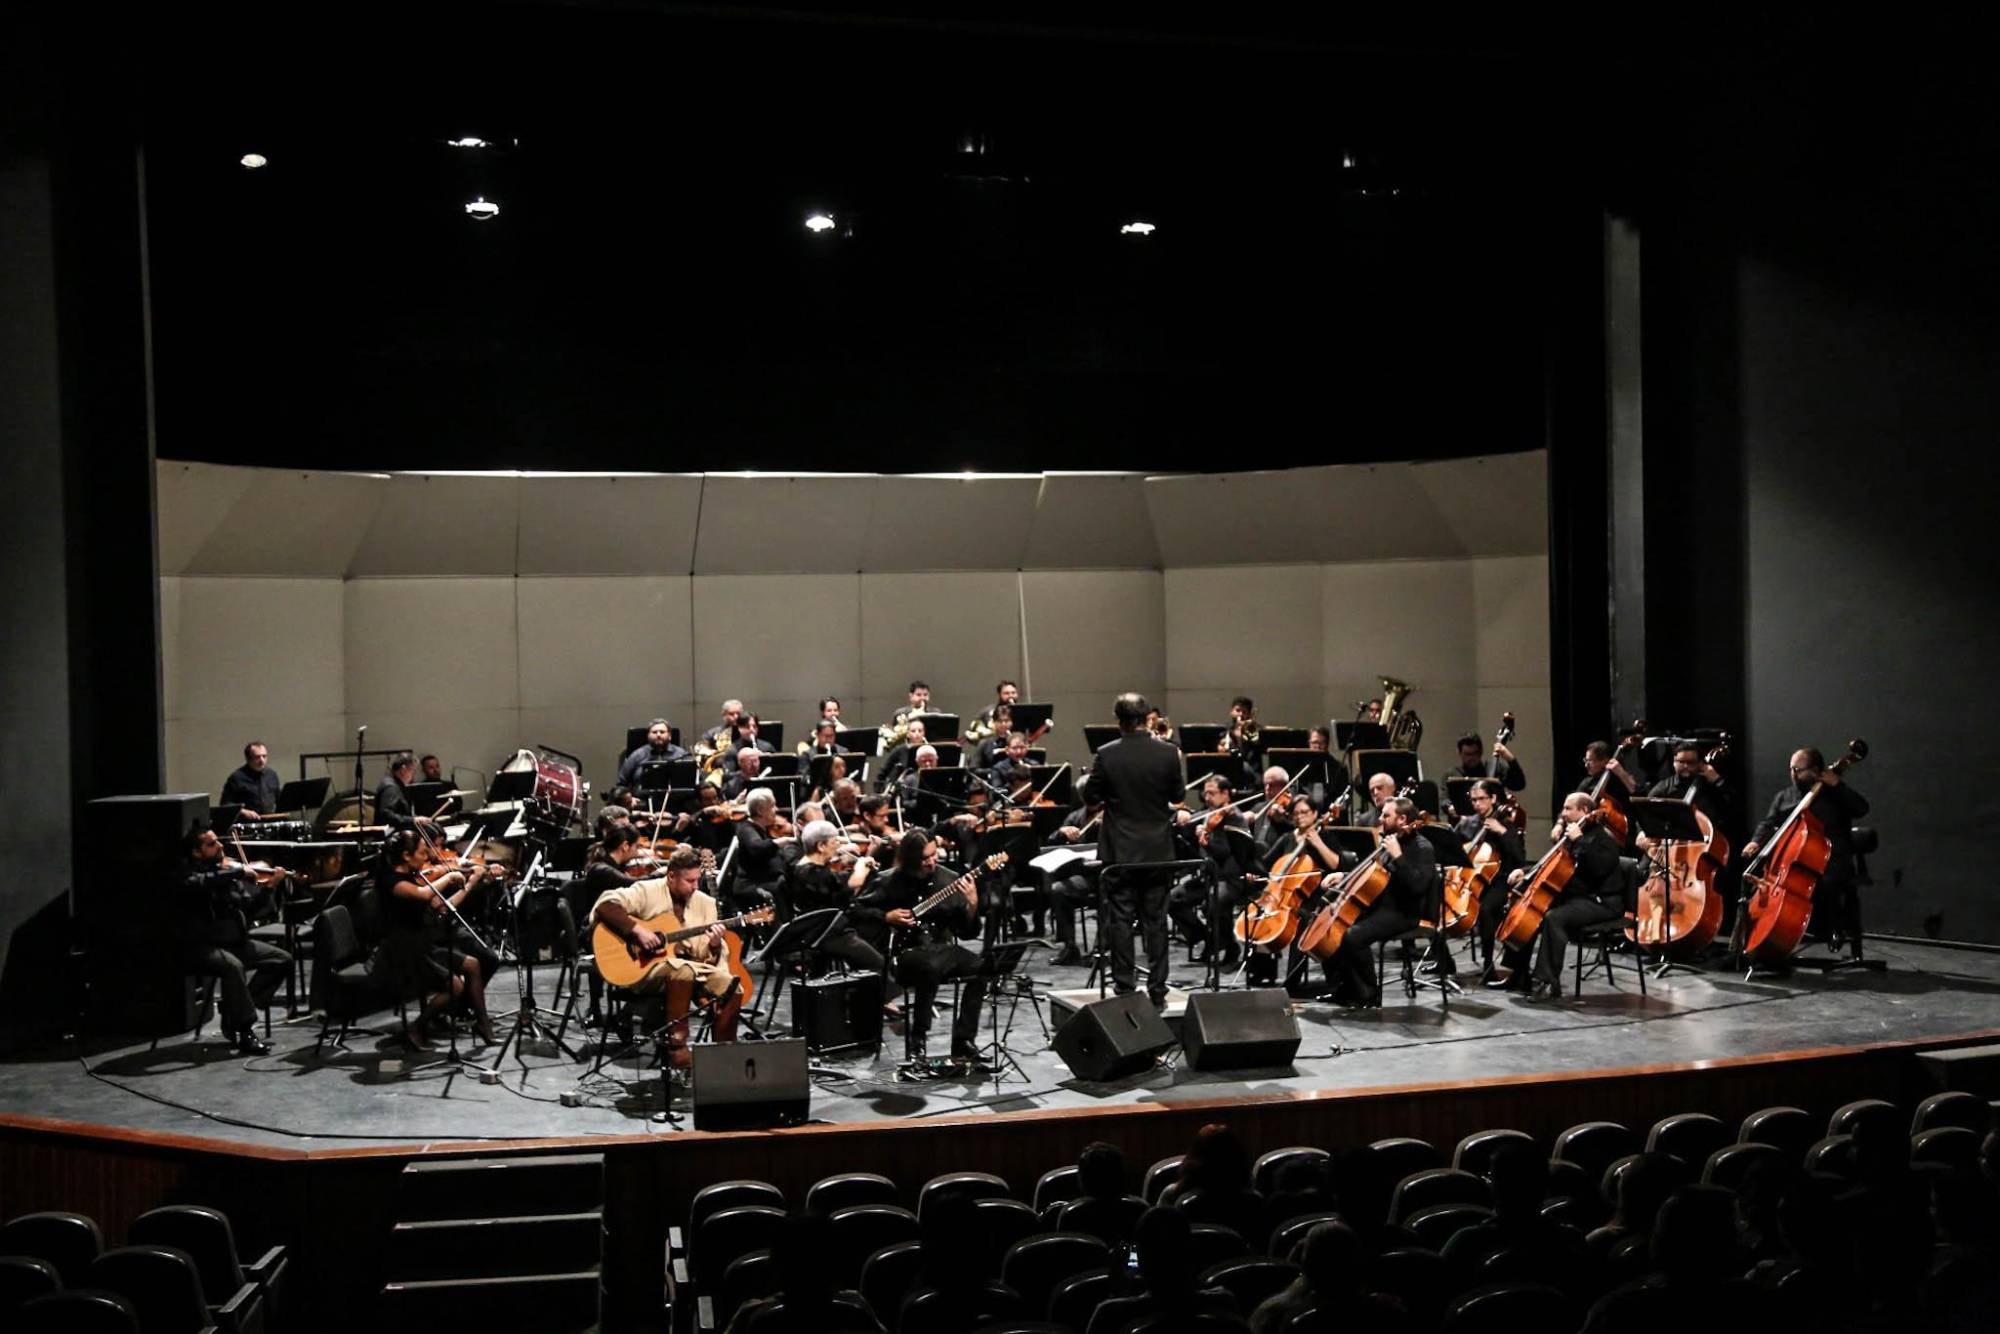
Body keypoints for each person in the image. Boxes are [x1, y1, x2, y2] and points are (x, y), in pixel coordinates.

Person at [589, 843, 744, 1068]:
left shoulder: (706, 903)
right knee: (681, 970)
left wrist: (713, 944)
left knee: (732, 986)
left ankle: (725, 1058)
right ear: (671, 876)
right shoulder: (647, 890)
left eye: (697, 880)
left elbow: (704, 957)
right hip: (646, 969)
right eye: (689, 881)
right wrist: (637, 930)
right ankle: (677, 1047)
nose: (695, 886)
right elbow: (605, 904)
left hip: (690, 968)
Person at [1080, 692, 1183, 1010]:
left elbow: (1091, 797)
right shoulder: (1168, 753)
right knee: (1156, 921)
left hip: (1120, 851)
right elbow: (1177, 794)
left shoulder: (1106, 754)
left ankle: (1124, 987)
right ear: (1147, 717)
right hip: (1157, 849)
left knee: (1120, 921)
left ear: (1118, 721)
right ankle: (1157, 991)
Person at [856, 830, 988, 1068]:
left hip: (941, 949)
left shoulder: (949, 880)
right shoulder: (888, 881)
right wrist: (886, 916)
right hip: (905, 953)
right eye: (924, 858)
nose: (931, 861)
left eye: (933, 855)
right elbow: (855, 912)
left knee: (981, 968)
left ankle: (964, 1041)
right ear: (909, 858)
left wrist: (972, 904)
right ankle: (918, 1040)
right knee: (930, 967)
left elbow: (968, 933)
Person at [377, 828, 500, 1047]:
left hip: (423, 944)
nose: (429, 858)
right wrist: (449, 875)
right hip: (403, 950)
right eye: (423, 853)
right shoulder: (390, 881)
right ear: (406, 856)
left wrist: (471, 883)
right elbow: (424, 895)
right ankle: (417, 1027)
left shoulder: (413, 877)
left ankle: (482, 1024)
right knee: (455, 987)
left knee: (473, 965)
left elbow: (443, 908)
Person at [174, 825, 291, 1054]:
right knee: (233, 967)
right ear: (197, 852)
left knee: (282, 960)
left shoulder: (224, 873)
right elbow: (201, 882)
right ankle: (246, 1031)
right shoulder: (188, 874)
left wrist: (269, 887)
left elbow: (249, 908)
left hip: (234, 943)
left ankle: (231, 1013)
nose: (220, 846)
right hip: (201, 947)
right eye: (211, 844)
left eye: (218, 841)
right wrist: (237, 872)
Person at [1500, 791, 1625, 998]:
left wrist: (1579, 841)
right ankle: (1519, 974)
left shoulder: (1604, 839)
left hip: (1601, 901)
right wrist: (1526, 872)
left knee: (1553, 918)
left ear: (1585, 811)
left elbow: (1597, 871)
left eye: (1568, 809)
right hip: (1578, 897)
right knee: (1529, 912)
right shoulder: (1574, 834)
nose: (1563, 813)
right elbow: (1552, 864)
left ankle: (1548, 982)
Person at [1743, 746, 1871, 950]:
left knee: (1828, 882)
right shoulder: (1785, 796)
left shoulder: (1833, 793)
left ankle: (1834, 927)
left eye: (1799, 770)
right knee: (1758, 885)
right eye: (1791, 769)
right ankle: (1766, 937)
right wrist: (1756, 841)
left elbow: (1862, 808)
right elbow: (1768, 823)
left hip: (1832, 859)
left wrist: (1837, 784)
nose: (1793, 774)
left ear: (1815, 770)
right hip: (1797, 862)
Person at [1314, 795, 1437, 1007]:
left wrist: (1399, 857)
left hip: (1405, 912)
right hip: (1382, 905)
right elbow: (1372, 872)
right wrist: (1344, 875)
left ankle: (1369, 994)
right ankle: (1342, 989)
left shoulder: (1422, 847)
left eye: (1386, 815)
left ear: (1402, 819)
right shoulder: (1390, 840)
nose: (1380, 818)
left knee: (1354, 937)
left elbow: (1418, 887)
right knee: (1331, 928)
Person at [1082, 1206, 1241, 1334]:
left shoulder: (1110, 1315)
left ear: (1140, 1262)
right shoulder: (1224, 1303)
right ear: (1192, 1254)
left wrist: (1118, 1292)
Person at [782, 821, 886, 982]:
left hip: (817, 931)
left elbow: (838, 882)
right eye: (834, 842)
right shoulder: (813, 874)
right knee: (876, 962)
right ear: (821, 846)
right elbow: (852, 884)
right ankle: (872, 1001)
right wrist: (861, 867)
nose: (838, 846)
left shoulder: (801, 867)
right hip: (826, 934)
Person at [1169, 775, 1251, 965]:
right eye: (1205, 793)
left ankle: (1228, 945)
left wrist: (1206, 838)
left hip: (1230, 878)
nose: (1207, 797)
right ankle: (1207, 937)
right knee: (1172, 899)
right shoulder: (1208, 814)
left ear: (1225, 794)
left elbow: (1225, 852)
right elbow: (1186, 838)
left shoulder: (1235, 818)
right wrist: (1181, 820)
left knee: (1215, 902)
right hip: (1208, 875)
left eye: (1212, 793)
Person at [1042, 802, 1101, 966]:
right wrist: (1061, 833)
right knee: (1059, 890)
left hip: (1111, 874)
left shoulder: (1114, 813)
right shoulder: (1076, 817)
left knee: (1111, 892)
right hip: (1085, 876)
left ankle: (1101, 950)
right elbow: (1051, 842)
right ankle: (1069, 947)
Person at [728, 788, 789, 910]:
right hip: (752, 886)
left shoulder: (762, 828)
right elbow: (757, 848)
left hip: (766, 882)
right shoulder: (746, 828)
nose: (776, 810)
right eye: (772, 806)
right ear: (760, 810)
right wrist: (783, 841)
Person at [618, 718, 688, 789]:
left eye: (662, 732)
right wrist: (628, 798)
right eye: (654, 732)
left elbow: (695, 780)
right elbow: (621, 784)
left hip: (676, 798)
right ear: (648, 736)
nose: (658, 735)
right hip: (642, 798)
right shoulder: (637, 755)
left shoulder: (682, 754)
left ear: (670, 736)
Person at [1450, 730, 1527, 793]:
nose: (1472, 758)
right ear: (1459, 753)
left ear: (1481, 752)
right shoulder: (1452, 774)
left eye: (1475, 753)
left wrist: (1510, 759)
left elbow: (1519, 785)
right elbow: (1445, 800)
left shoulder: (1496, 768)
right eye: (1467, 754)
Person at [220, 741, 281, 819]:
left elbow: (278, 799)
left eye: (264, 756)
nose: (262, 760)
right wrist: (243, 811)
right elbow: (225, 804)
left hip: (269, 820)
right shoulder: (237, 778)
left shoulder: (272, 775)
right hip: (247, 822)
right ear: (248, 759)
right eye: (257, 757)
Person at [879, 680, 933, 753]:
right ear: (911, 696)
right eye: (919, 695)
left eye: (925, 695)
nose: (922, 698)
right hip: (905, 751)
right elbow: (894, 737)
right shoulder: (900, 714)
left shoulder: (935, 713)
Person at [877, 717, 927, 790]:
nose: (917, 734)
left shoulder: (929, 749)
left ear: (924, 733)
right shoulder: (899, 750)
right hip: (903, 788)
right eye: (913, 731)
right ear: (908, 734)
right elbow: (882, 773)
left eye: (920, 731)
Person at [374, 753, 421, 828]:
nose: (413, 775)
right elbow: (386, 815)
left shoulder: (396, 785)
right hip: (391, 835)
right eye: (412, 770)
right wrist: (413, 820)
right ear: (403, 769)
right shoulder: (391, 788)